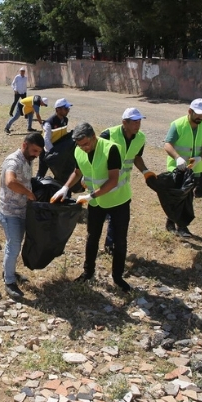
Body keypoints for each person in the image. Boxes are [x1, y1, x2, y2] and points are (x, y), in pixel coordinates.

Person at [51, 122, 134, 292]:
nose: (83, 148)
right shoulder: (78, 150)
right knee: (92, 237)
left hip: (118, 201)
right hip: (97, 203)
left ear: (94, 137)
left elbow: (113, 180)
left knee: (119, 240)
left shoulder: (111, 149)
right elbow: (78, 171)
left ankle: (117, 277)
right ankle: (88, 273)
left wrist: (91, 195)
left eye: (86, 144)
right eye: (80, 145)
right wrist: (65, 187)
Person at [100, 108, 154, 253]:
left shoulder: (140, 138)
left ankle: (110, 245)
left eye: (139, 121)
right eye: (134, 122)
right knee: (99, 216)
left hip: (122, 185)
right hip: (103, 182)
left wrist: (145, 171)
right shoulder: (108, 135)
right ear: (125, 122)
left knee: (117, 216)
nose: (138, 125)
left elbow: (136, 157)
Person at [0, 132, 45, 298]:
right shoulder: (13, 161)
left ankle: (8, 271)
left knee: (14, 245)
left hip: (22, 210)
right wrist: (28, 193)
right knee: (14, 246)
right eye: (34, 151)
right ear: (24, 145)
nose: (36, 155)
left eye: (39, 152)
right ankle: (9, 281)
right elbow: (10, 182)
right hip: (10, 213)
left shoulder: (27, 159)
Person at [163, 98, 202, 237]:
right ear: (190, 111)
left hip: (194, 169)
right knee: (177, 197)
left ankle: (181, 226)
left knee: (187, 197)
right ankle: (173, 223)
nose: (201, 117)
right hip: (177, 167)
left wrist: (200, 158)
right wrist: (177, 158)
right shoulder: (178, 124)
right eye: (198, 114)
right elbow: (168, 144)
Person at [37, 98, 72, 178]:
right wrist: (53, 153)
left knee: (59, 172)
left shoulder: (65, 120)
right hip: (48, 152)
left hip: (58, 150)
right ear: (58, 110)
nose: (68, 110)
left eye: (68, 108)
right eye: (65, 108)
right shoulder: (49, 123)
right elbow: (46, 140)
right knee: (42, 172)